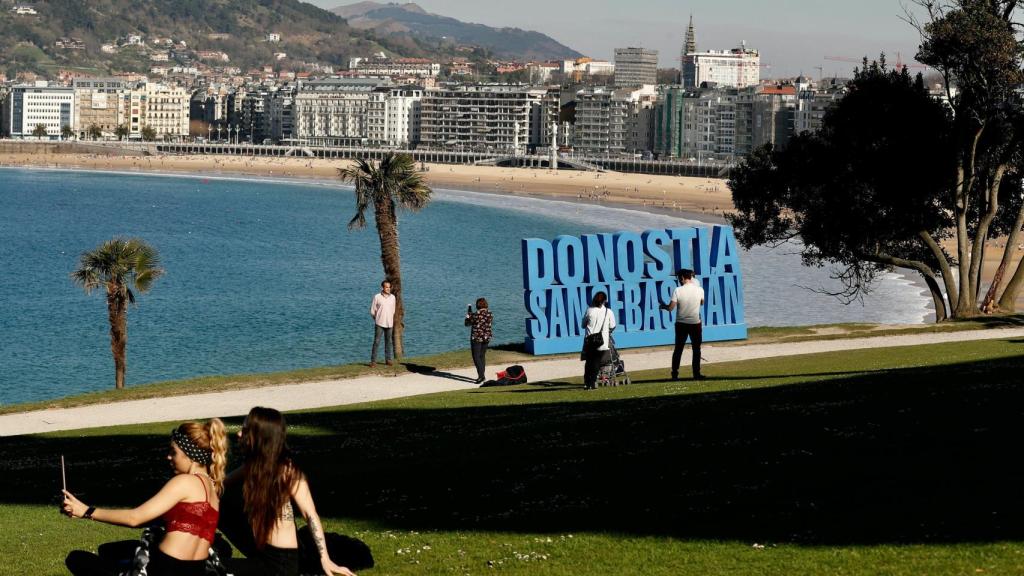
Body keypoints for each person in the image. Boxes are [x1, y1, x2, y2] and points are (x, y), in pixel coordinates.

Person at [63, 418, 228, 576]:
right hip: (194, 570)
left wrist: (86, 511)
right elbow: (156, 520)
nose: (168, 457)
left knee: (77, 559)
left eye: (173, 452)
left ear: (190, 455)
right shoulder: (212, 488)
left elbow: (135, 518)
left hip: (164, 569)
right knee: (110, 550)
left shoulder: (185, 482)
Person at [221, 406, 355, 576]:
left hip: (280, 564)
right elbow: (220, 486)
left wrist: (325, 558)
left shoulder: (286, 472)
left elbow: (310, 514)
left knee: (211, 570)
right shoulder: (252, 467)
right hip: (258, 550)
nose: (239, 434)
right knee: (219, 499)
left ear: (261, 436)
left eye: (245, 430)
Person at [660, 268, 706, 380]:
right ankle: (696, 373)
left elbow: (671, 308)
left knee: (678, 349)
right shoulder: (700, 290)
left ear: (682, 278)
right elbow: (702, 303)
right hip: (695, 323)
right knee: (696, 349)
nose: (678, 280)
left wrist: (663, 306)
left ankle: (675, 374)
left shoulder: (678, 290)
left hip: (681, 324)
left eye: (679, 278)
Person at [581, 291, 616, 390]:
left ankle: (587, 383)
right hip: (602, 341)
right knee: (596, 362)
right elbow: (613, 326)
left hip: (589, 340)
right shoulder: (608, 312)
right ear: (605, 300)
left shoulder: (589, 310)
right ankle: (592, 382)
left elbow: (583, 325)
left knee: (589, 363)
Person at [465, 298, 493, 384]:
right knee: (482, 356)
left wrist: (467, 317)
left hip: (477, 338)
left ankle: (481, 376)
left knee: (476, 357)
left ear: (478, 305)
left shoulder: (475, 314)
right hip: (487, 337)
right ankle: (482, 374)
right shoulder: (490, 313)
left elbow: (467, 324)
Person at [369, 280, 396, 367]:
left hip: (389, 323)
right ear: (382, 288)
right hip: (379, 323)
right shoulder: (377, 297)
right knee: (376, 342)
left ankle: (388, 360)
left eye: (389, 287)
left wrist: (390, 319)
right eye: (386, 287)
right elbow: (373, 311)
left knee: (388, 342)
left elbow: (393, 310)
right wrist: (377, 319)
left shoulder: (393, 297)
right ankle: (373, 361)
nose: (388, 289)